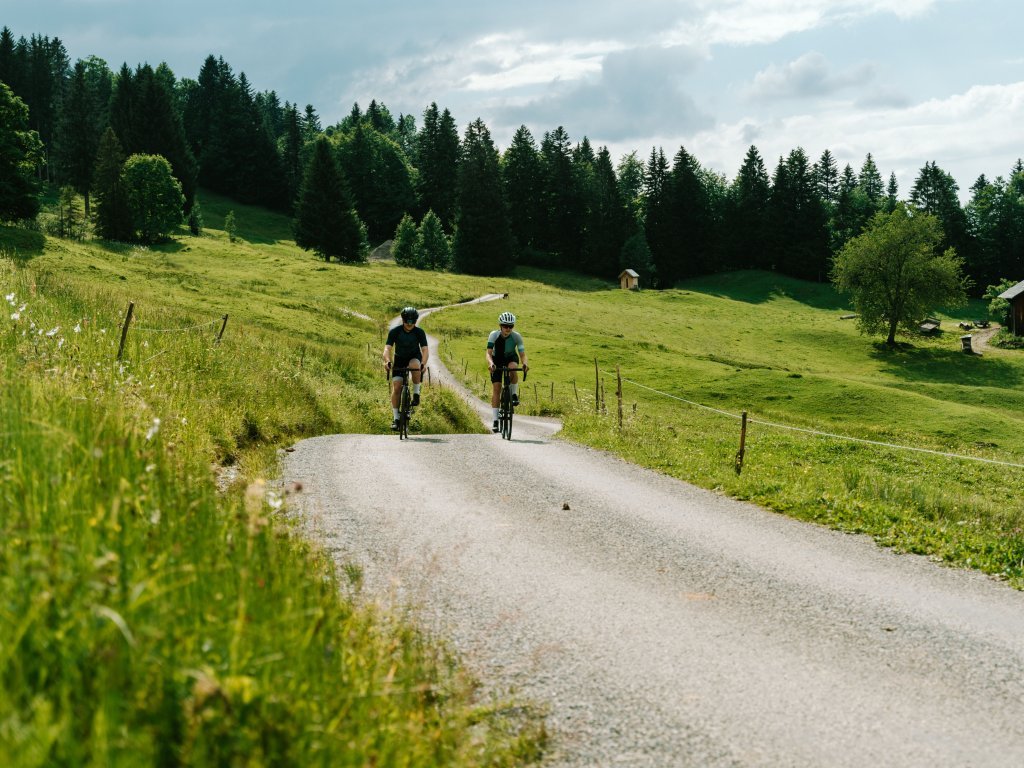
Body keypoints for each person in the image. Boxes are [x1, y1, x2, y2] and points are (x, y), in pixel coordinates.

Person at [382, 306, 429, 430]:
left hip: (414, 357)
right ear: (403, 320)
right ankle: (396, 418)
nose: (410, 324)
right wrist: (387, 361)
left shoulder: (419, 332)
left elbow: (425, 350)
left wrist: (423, 363)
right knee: (397, 387)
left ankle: (416, 394)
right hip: (399, 360)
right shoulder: (395, 331)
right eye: (407, 321)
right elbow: (387, 348)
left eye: (412, 321)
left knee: (415, 365)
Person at [485, 311, 528, 433]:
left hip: (510, 358)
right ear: (500, 326)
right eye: (505, 326)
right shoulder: (494, 335)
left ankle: (513, 394)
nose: (508, 329)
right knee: (496, 389)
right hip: (496, 360)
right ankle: (495, 420)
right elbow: (488, 353)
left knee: (512, 367)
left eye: (511, 326)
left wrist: (525, 363)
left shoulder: (516, 336)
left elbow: (522, 354)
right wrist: (491, 363)